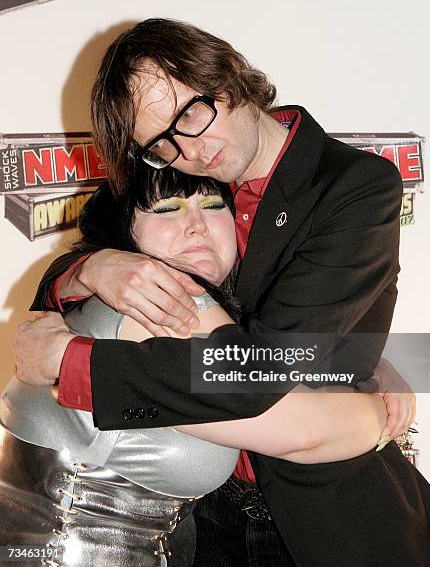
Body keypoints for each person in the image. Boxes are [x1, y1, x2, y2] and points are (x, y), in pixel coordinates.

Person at [14, 19, 430, 565]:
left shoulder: (355, 188)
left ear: (229, 76)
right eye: (161, 145)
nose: (188, 150)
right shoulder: (199, 179)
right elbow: (110, 229)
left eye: (189, 115)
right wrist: (88, 269)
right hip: (204, 514)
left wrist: (74, 367)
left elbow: (262, 367)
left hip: (326, 515)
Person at [2, 172, 391, 567]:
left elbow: (269, 361)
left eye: (213, 205)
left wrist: (376, 365)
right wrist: (383, 408)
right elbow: (303, 431)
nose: (197, 225)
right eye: (168, 209)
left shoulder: (164, 306)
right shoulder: (163, 308)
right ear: (123, 234)